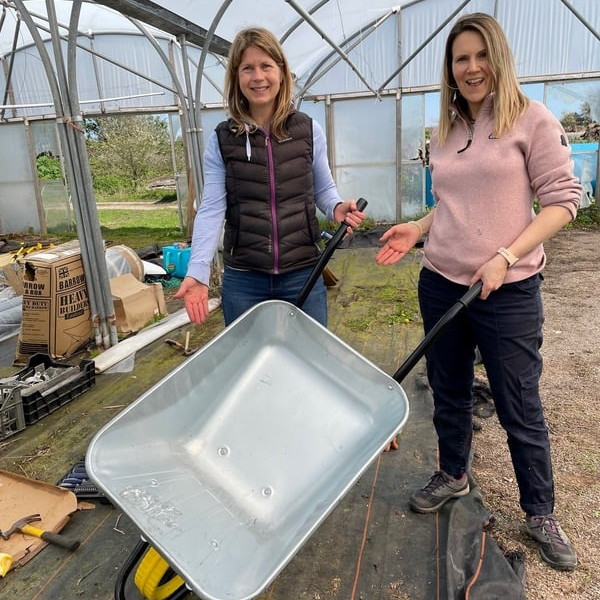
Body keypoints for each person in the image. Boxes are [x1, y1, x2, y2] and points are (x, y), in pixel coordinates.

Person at [375, 13, 580, 571]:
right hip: (442, 281)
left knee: (519, 402)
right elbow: (455, 201)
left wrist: (506, 256)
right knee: (449, 387)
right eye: (460, 59)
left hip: (506, 288)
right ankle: (453, 473)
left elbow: (562, 202)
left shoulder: (531, 121)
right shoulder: (445, 128)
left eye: (479, 55)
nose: (471, 68)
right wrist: (419, 227)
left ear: (499, 58)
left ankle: (540, 511)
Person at [174, 27, 364, 327]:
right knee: (249, 363)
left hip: (303, 272)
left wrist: (337, 208)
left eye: (266, 66)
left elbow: (324, 187)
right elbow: (211, 208)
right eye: (247, 68)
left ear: (281, 72)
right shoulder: (222, 139)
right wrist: (197, 272)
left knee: (308, 362)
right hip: (244, 279)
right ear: (237, 77)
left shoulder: (307, 130)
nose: (258, 77)